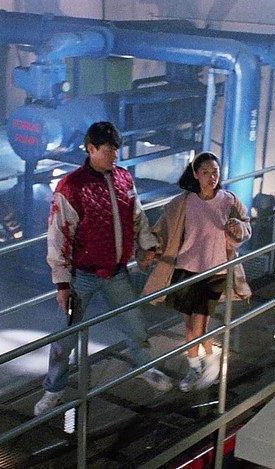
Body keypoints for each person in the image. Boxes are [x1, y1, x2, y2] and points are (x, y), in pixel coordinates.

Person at [34, 122, 172, 416]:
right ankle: (53, 390)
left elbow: (137, 216)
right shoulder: (71, 186)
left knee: (135, 325)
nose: (114, 155)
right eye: (108, 149)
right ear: (91, 149)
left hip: (116, 272)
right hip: (80, 277)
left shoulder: (123, 178)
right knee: (64, 337)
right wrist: (62, 283)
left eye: (116, 149)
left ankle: (145, 367)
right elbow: (58, 236)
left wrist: (146, 245)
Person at [141, 151, 252, 391]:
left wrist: (238, 228)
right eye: (205, 172)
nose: (211, 177)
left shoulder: (229, 200)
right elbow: (163, 231)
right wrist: (151, 250)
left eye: (215, 172)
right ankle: (195, 367)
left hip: (215, 271)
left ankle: (209, 362)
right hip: (186, 269)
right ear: (195, 174)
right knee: (190, 325)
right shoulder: (183, 202)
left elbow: (246, 226)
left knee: (199, 325)